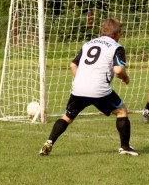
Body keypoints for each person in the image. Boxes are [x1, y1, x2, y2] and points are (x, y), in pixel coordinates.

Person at [39, 18, 139, 156]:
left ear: (101, 31)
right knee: (122, 111)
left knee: (67, 117)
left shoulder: (88, 44)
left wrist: (81, 78)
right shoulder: (116, 47)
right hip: (99, 89)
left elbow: (73, 64)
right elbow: (118, 71)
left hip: (79, 87)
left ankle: (49, 141)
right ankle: (125, 147)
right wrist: (126, 78)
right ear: (117, 34)